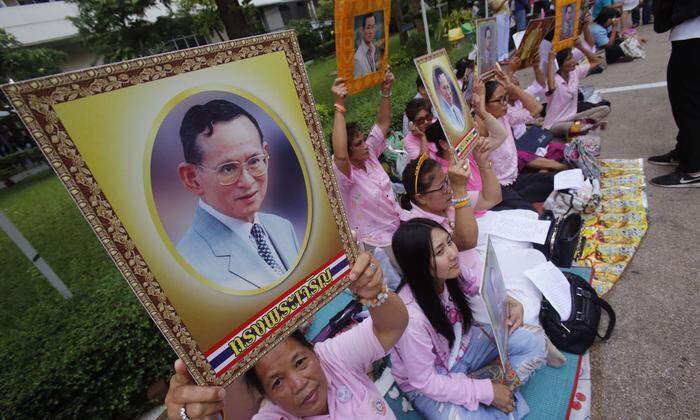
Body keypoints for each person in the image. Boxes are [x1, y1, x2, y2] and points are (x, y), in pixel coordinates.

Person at [164, 252, 410, 420]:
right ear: (264, 394)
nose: (299, 383)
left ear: (313, 350)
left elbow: (390, 328)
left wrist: (375, 293)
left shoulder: (332, 358)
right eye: (276, 382)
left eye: (300, 362)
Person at [389, 218, 547, 419]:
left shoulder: (450, 271)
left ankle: (481, 386)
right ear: (418, 265)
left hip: (462, 347)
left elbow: (479, 285)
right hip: (431, 381)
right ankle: (487, 389)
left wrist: (509, 301)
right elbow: (426, 382)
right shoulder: (411, 319)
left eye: (449, 242)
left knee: (533, 342)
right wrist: (486, 392)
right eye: (440, 252)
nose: (453, 254)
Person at [176, 100, 299, 291]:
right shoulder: (186, 271)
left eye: (254, 161)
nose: (248, 181)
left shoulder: (283, 227)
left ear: (265, 154)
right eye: (228, 169)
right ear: (192, 178)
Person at [331, 70, 403, 252]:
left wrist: (386, 90)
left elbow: (383, 123)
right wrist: (339, 104)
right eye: (358, 143)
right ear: (347, 151)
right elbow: (340, 156)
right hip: (377, 245)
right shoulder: (345, 174)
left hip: (398, 225)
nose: (365, 145)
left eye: (363, 140)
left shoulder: (369, 154)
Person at [483, 70, 557, 209]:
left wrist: (511, 86)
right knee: (529, 212)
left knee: (555, 180)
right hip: (498, 187)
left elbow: (537, 108)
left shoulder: (506, 114)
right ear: (484, 104)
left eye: (505, 98)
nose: (505, 103)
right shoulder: (480, 124)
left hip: (515, 178)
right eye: (499, 100)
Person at [648, 1, 700, 187]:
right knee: (685, 101)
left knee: (688, 104)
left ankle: (693, 169)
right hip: (688, 34)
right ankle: (685, 151)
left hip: (693, 37)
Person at [543, 41, 610, 138]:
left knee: (605, 109)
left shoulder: (575, 72)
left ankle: (586, 125)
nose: (574, 61)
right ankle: (589, 125)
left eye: (572, 57)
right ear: (560, 65)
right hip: (554, 124)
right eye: (569, 59)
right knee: (570, 127)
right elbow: (551, 87)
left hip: (573, 117)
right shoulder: (553, 80)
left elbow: (597, 62)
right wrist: (550, 61)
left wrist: (581, 47)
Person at [354, 13, 382, 78]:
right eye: (368, 27)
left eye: (373, 27)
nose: (371, 31)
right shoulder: (357, 58)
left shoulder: (373, 49)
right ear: (362, 30)